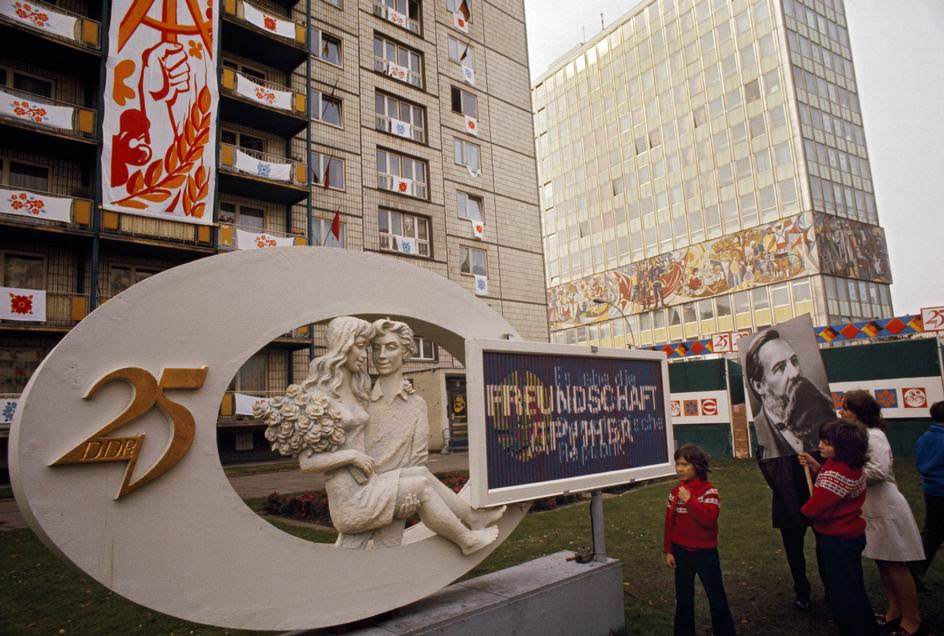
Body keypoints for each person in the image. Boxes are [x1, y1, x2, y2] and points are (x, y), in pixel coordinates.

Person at [298, 316, 504, 555]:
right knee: (421, 485)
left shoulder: (357, 390)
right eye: (368, 347)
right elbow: (307, 461)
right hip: (353, 498)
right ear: (343, 345)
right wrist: (353, 456)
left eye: (385, 347)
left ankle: (472, 518)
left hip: (369, 486)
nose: (372, 355)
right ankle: (467, 541)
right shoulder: (328, 397)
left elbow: (416, 459)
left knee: (420, 474)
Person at [745, 329, 835, 610]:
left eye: (794, 362)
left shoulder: (820, 414)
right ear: (759, 385)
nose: (794, 373)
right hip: (788, 500)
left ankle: (832, 589)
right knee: (794, 552)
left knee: (826, 547)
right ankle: (802, 591)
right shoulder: (762, 431)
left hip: (819, 496)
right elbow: (766, 468)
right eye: (780, 368)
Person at [842, 391, 924, 635]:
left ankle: (911, 619)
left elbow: (878, 471)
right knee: (883, 562)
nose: (842, 413)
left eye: (846, 409)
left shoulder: (874, 436)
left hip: (886, 505)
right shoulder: (862, 435)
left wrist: (847, 475)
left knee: (896, 564)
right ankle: (894, 611)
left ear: (859, 413)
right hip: (871, 505)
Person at [799, 419, 878, 635]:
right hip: (848, 535)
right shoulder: (843, 465)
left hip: (838, 539)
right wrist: (816, 467)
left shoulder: (838, 473)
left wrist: (804, 510)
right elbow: (830, 483)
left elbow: (817, 506)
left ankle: (857, 629)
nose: (820, 446)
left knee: (845, 592)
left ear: (843, 447)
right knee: (852, 586)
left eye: (827, 443)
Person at [663, 444, 736, 636]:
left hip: (705, 554)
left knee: (717, 599)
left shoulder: (709, 491)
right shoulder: (675, 492)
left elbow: (709, 520)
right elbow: (669, 523)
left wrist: (690, 500)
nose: (680, 469)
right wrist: (668, 550)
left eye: (685, 464)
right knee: (683, 600)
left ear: (697, 466)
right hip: (681, 553)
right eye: (678, 464)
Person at [913, 400, 944, 585]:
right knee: (933, 533)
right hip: (938, 490)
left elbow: (920, 463)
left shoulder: (924, 437)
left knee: (932, 533)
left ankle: (915, 572)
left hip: (931, 491)